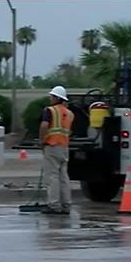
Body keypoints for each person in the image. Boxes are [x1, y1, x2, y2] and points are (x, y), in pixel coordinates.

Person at [39, 86, 75, 215]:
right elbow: (69, 131)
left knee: (52, 176)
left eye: (52, 96)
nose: (50, 98)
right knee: (63, 177)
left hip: (52, 146)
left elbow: (44, 125)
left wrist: (42, 140)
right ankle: (66, 205)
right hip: (64, 147)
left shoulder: (50, 111)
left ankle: (54, 205)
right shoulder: (69, 113)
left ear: (56, 98)